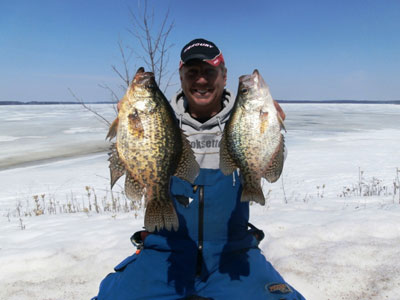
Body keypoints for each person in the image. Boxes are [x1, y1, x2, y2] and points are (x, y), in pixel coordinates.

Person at [93, 38, 305, 300]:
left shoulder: (243, 119)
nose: (201, 80)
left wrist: (273, 129)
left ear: (224, 76)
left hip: (233, 252)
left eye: (209, 72)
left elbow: (269, 169)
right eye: (192, 73)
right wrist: (127, 126)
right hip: (165, 252)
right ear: (181, 78)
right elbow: (133, 154)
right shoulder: (161, 119)